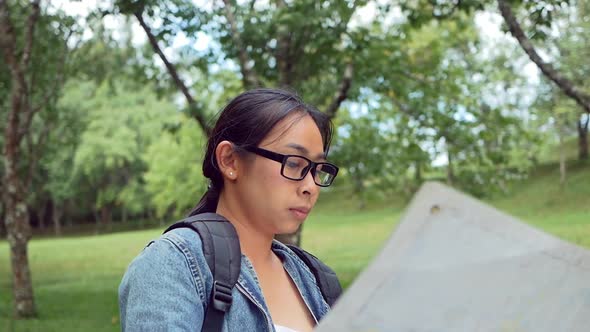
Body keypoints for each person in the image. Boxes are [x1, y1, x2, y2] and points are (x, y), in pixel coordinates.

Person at [118, 88, 341, 332]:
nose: (310, 186)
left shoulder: (315, 279)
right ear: (229, 160)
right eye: (295, 163)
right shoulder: (172, 265)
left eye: (318, 169)